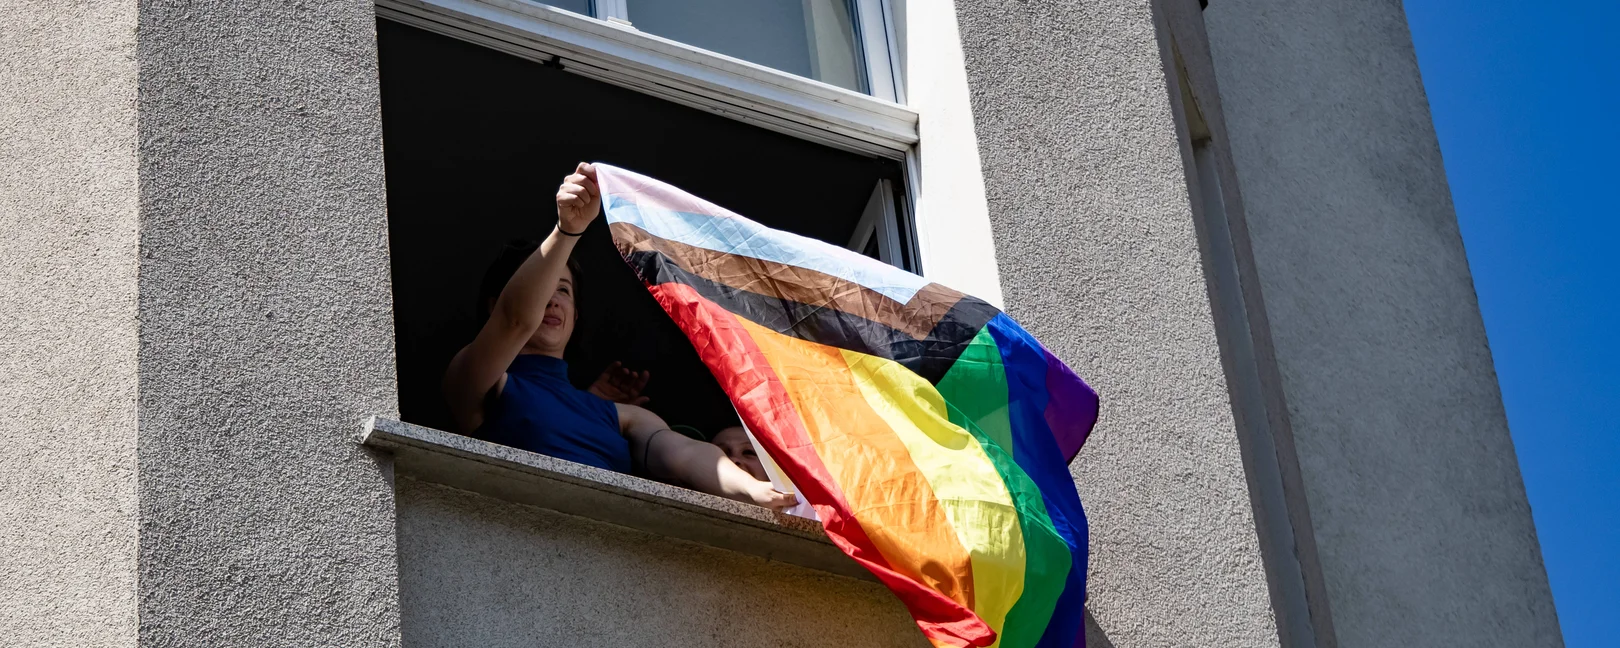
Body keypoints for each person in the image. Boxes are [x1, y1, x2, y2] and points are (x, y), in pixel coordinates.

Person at [442, 162, 795, 512]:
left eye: (563, 290)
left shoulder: (620, 416)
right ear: (495, 305)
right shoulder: (478, 378)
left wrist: (752, 489)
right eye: (544, 288)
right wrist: (567, 232)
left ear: (576, 315)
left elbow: (684, 454)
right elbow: (515, 321)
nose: (552, 300)